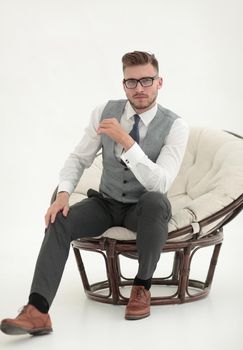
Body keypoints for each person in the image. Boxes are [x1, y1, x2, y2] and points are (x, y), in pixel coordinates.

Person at [1, 51, 189, 335]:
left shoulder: (175, 126)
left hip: (143, 210)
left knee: (155, 200)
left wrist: (126, 141)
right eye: (132, 82)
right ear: (123, 84)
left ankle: (142, 287)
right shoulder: (104, 112)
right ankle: (37, 311)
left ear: (160, 82)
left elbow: (160, 183)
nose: (139, 88)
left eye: (147, 80)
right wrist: (63, 193)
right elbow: (78, 158)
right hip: (106, 202)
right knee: (59, 218)